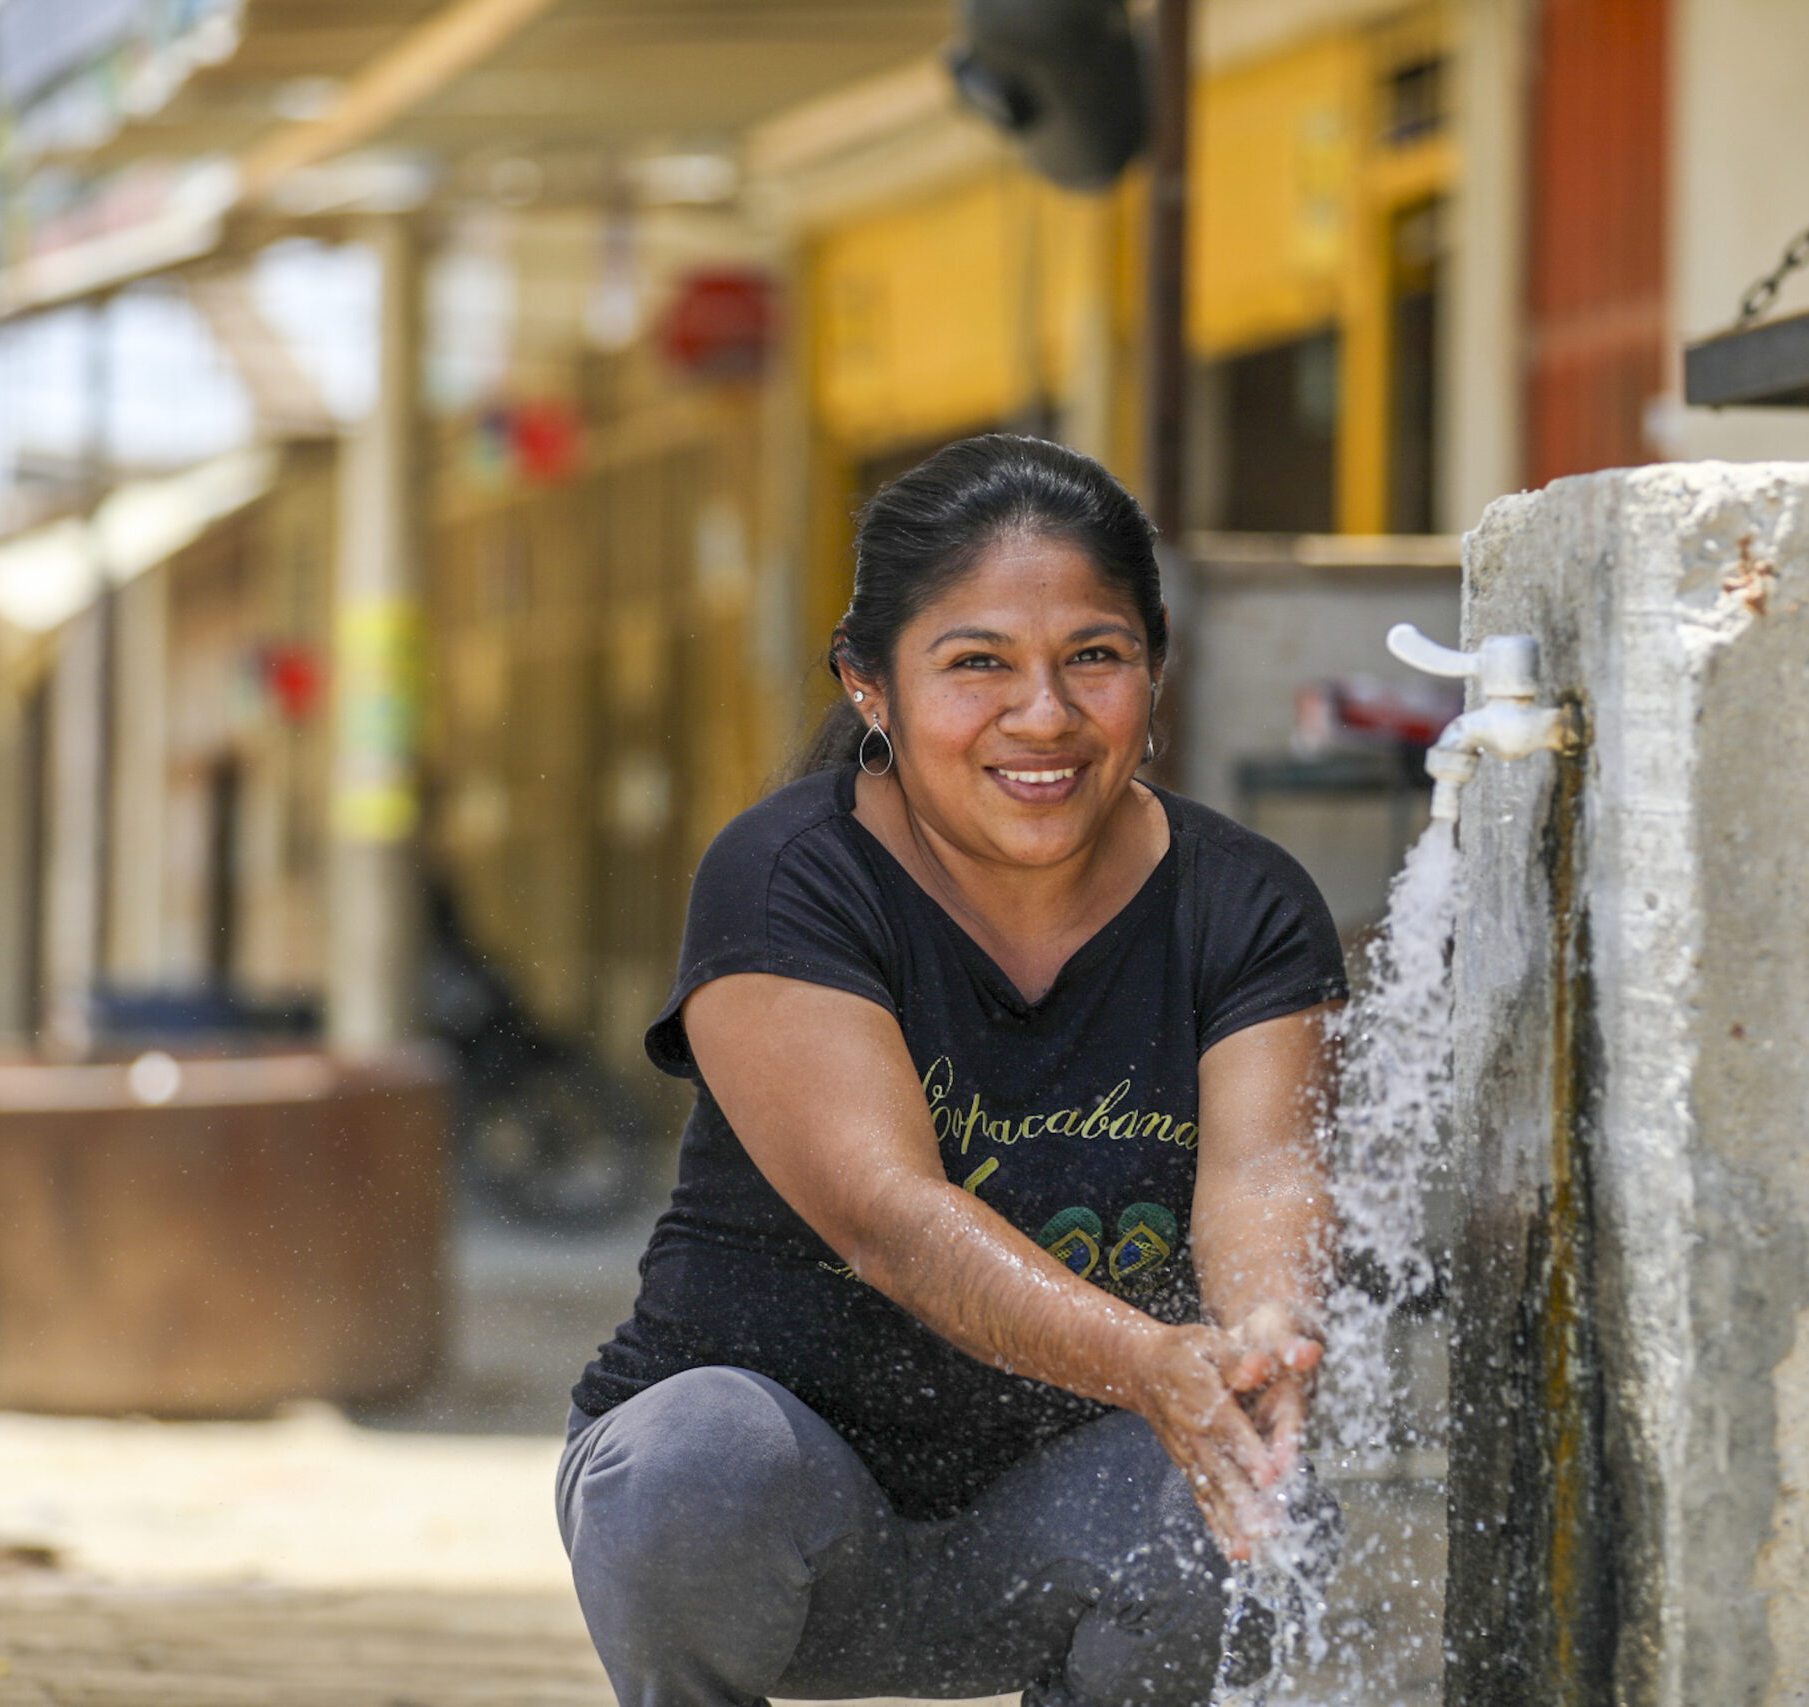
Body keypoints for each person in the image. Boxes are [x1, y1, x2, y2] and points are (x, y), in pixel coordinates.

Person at [556, 434, 1347, 1707]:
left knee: (1249, 1496)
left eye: (1094, 658)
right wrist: (1153, 1362)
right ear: (870, 685)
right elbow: (891, 1219)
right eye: (977, 664)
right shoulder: (786, 877)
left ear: (1157, 666)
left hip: (1061, 1525)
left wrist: (1259, 1344)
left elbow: (1263, 1171)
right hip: (779, 1524)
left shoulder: (1242, 902)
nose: (1044, 716)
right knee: (691, 1460)